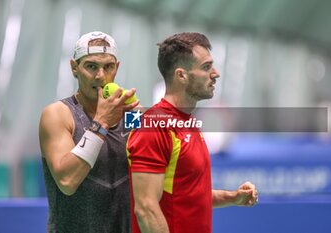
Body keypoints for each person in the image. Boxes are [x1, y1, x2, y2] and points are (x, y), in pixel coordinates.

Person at [126, 32, 258, 233]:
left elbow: (188, 193)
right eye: (206, 67)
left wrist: (233, 197)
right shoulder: (154, 127)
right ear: (181, 75)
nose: (215, 74)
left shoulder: (188, 122)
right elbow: (146, 208)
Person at [39, 31, 139, 233]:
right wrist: (101, 122)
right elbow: (67, 181)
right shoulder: (58, 115)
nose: (100, 76)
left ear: (116, 68)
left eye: (108, 67)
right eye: (91, 66)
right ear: (74, 68)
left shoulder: (132, 116)